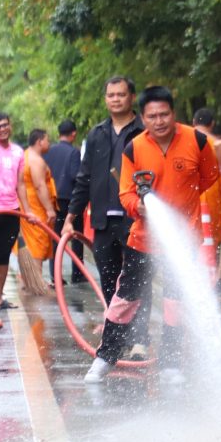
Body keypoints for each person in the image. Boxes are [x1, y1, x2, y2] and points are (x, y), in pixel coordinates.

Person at [84, 86, 220, 383]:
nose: (159, 121)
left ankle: (171, 364)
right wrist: (140, 207)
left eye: (164, 115)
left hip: (183, 240)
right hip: (143, 239)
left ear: (173, 113)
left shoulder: (197, 141)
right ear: (143, 118)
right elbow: (125, 193)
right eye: (152, 116)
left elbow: (210, 176)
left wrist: (182, 201)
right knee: (126, 298)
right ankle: (105, 358)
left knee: (175, 301)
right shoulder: (134, 148)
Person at [64, 77, 149, 358]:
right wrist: (71, 216)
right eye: (111, 95)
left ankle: (140, 339)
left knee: (138, 279)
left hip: (135, 218)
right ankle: (117, 338)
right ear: (105, 99)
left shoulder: (143, 132)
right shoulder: (96, 134)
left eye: (121, 94)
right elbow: (84, 178)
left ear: (131, 97)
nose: (115, 99)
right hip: (102, 220)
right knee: (110, 279)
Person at [0, 112, 37, 312]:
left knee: (4, 254)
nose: (2, 129)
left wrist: (27, 211)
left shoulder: (18, 152)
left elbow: (21, 183)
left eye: (5, 125)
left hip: (12, 209)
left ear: (10, 126)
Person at [45, 120, 83, 281]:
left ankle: (55, 275)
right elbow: (76, 176)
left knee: (55, 237)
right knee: (76, 236)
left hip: (53, 199)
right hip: (70, 199)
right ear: (73, 134)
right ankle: (77, 273)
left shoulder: (48, 151)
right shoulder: (74, 152)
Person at [192, 107, 221, 256]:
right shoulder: (217, 144)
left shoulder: (184, 141)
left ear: (194, 122)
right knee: (212, 236)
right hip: (212, 192)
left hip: (189, 193)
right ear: (212, 123)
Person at [19, 129, 58, 264]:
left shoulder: (25, 155)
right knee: (36, 245)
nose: (49, 143)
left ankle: (29, 275)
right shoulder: (35, 160)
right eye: (47, 140)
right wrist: (50, 209)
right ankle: (35, 275)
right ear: (39, 142)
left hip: (27, 204)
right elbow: (40, 186)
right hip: (35, 206)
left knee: (29, 245)